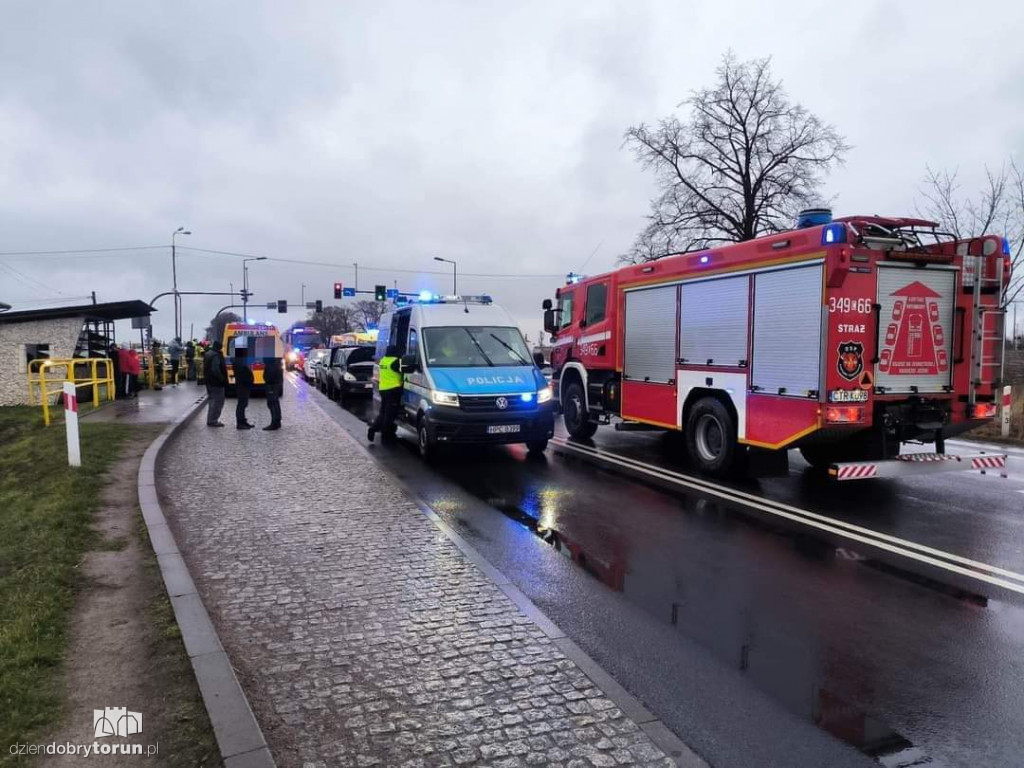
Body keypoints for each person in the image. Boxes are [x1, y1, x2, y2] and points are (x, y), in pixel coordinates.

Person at [367, 345, 403, 443]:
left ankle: (374, 428)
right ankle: (386, 434)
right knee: (389, 414)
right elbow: (406, 370)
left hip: (383, 389)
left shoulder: (383, 360)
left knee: (383, 413)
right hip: (393, 390)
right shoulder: (396, 361)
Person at [203, 340, 227, 427]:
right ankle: (213, 420)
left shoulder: (208, 353)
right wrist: (222, 379)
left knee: (212, 401)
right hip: (216, 382)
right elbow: (215, 369)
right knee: (218, 402)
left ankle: (210, 419)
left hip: (209, 381)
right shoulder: (216, 355)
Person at [233, 347, 255, 429]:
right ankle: (240, 423)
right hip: (242, 385)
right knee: (241, 404)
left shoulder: (240, 361)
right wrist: (249, 380)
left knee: (243, 404)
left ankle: (243, 421)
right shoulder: (239, 362)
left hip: (243, 385)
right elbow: (243, 374)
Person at [262, 356, 283, 430]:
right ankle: (277, 421)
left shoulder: (271, 361)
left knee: (272, 403)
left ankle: (274, 422)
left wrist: (267, 380)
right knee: (275, 402)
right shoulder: (276, 360)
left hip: (272, 383)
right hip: (275, 382)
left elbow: (270, 372)